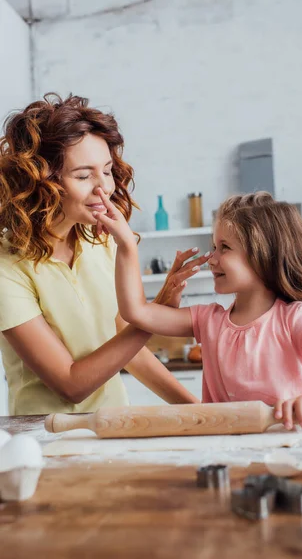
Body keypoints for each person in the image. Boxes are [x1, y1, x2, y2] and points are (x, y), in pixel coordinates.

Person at [93, 189, 302, 429]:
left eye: (224, 248)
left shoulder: (294, 318)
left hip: (283, 445)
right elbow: (135, 312)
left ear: (263, 255)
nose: (212, 259)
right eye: (213, 247)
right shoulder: (208, 319)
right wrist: (127, 245)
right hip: (220, 448)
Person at [0, 93, 209, 415]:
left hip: (111, 427)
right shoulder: (7, 266)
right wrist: (153, 313)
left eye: (108, 171)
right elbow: (72, 385)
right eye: (83, 176)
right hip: (43, 440)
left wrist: (199, 411)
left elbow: (127, 348)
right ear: (39, 181)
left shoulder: (100, 241)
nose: (104, 188)